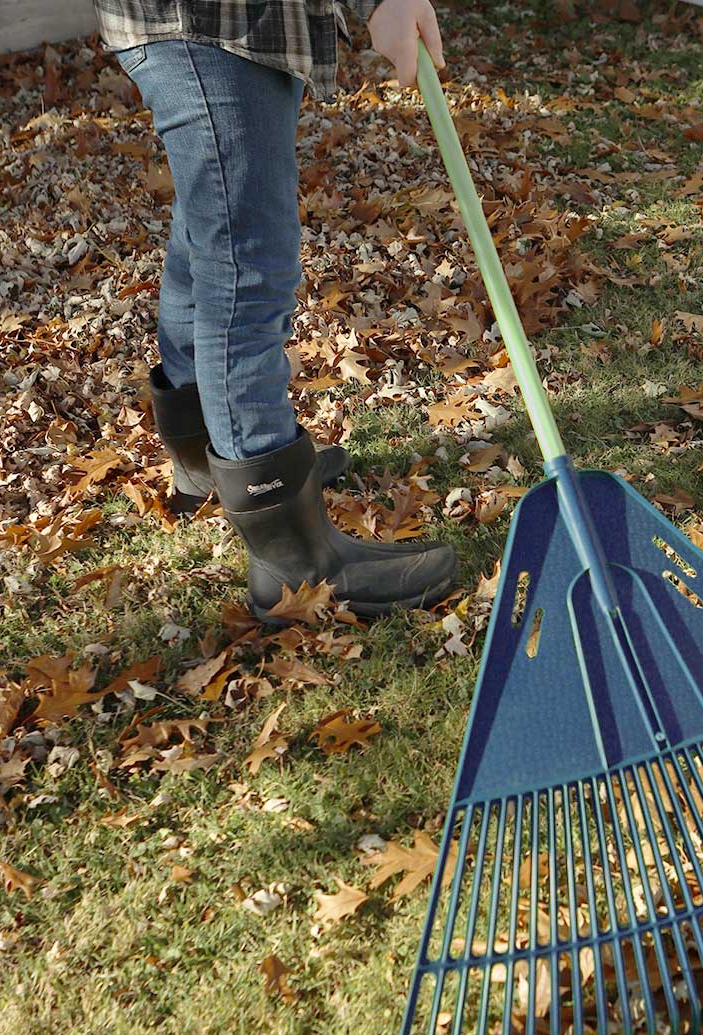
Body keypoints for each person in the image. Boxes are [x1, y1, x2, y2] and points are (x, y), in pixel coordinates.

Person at [92, 0, 456, 622]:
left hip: (219, 26)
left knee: (213, 233)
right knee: (248, 266)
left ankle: (205, 461)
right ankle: (293, 558)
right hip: (210, 26)